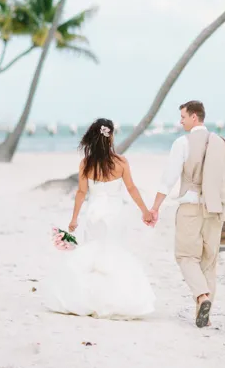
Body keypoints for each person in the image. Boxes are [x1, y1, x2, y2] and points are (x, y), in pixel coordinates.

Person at [40, 119, 156, 321]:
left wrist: (74, 219)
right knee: (114, 252)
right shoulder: (121, 162)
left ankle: (88, 299)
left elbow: (81, 192)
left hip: (94, 212)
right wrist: (145, 211)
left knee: (92, 255)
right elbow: (131, 188)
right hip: (115, 212)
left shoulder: (86, 163)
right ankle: (115, 299)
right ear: (110, 137)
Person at [145, 100, 219, 328]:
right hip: (215, 209)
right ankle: (204, 316)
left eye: (183, 117)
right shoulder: (219, 142)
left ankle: (202, 297)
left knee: (186, 257)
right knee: (209, 262)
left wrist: (155, 207)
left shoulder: (182, 143)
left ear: (194, 117)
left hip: (191, 208)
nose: (181, 121)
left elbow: (169, 178)